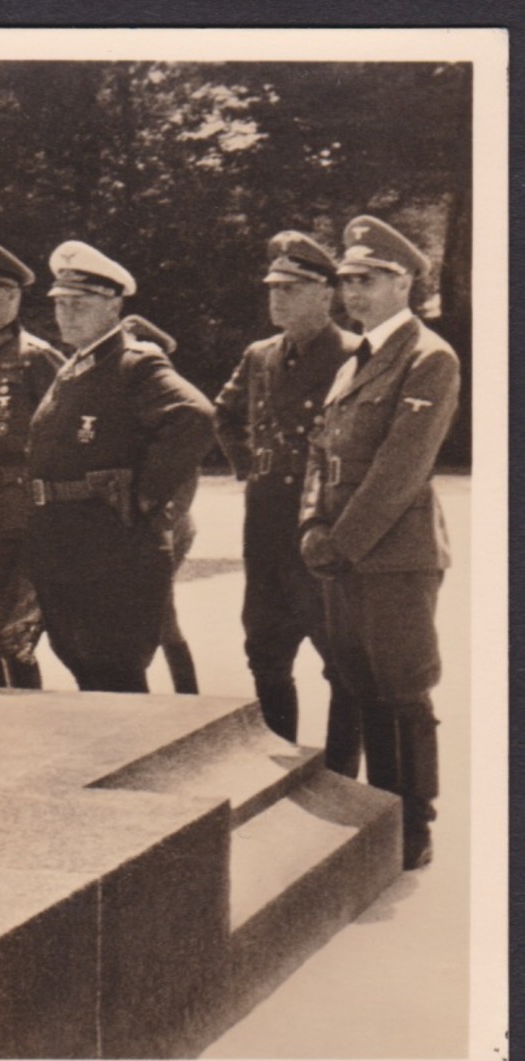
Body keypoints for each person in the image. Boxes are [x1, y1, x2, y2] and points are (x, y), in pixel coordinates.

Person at [300, 215, 460, 870]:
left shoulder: (428, 358)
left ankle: (413, 822)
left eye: (366, 281)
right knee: (357, 680)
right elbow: (320, 452)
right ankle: (378, 813)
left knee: (402, 688)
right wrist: (310, 523)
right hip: (341, 553)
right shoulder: (353, 361)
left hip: (394, 557)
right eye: (346, 282)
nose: (353, 295)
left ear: (402, 282)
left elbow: (400, 469)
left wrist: (342, 542)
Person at [25, 241, 215, 693]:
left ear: (114, 305)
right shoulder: (75, 367)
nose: (66, 314)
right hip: (66, 547)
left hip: (112, 553)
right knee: (89, 677)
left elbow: (195, 416)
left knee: (117, 682)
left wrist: (145, 494)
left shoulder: (134, 363)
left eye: (80, 303)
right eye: (61, 304)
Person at [215, 231, 362, 760]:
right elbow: (224, 414)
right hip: (266, 529)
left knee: (343, 663)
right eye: (274, 288)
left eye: (293, 289)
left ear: (327, 294)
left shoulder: (354, 354)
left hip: (323, 529)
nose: (278, 298)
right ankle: (282, 771)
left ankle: (343, 779)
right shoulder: (259, 356)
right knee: (265, 653)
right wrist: (249, 464)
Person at [0, 238, 66, 689]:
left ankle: (28, 720)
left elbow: (62, 431)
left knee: (12, 633)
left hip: (20, 515)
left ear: (12, 297)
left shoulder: (36, 358)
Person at [121, 314, 200, 695]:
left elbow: (185, 481)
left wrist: (162, 522)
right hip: (133, 525)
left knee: (161, 618)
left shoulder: (171, 405)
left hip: (164, 525)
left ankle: (189, 701)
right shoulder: (121, 403)